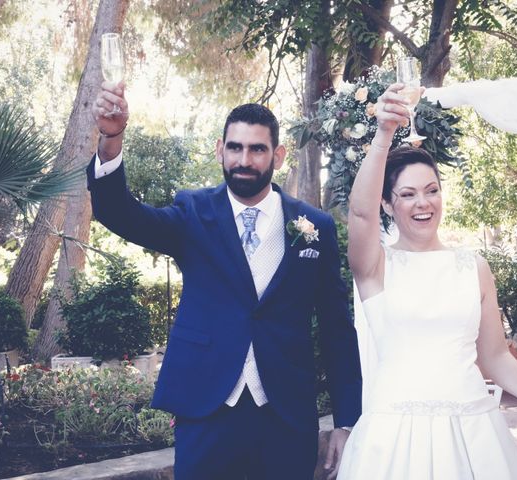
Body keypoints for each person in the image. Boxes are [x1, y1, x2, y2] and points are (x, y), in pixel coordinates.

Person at [87, 81, 362, 480]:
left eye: (257, 149)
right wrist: (111, 138)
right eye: (235, 148)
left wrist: (345, 420)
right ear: (220, 150)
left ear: (278, 155)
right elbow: (118, 212)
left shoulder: (314, 227)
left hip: (286, 413)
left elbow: (338, 329)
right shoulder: (193, 212)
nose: (244, 159)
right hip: (206, 408)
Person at [337, 83, 517, 479]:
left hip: (473, 436)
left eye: (432, 191)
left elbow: (495, 356)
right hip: (394, 438)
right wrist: (383, 133)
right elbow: (359, 216)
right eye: (408, 194)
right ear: (388, 204)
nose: (423, 203)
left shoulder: (474, 267)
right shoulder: (376, 266)